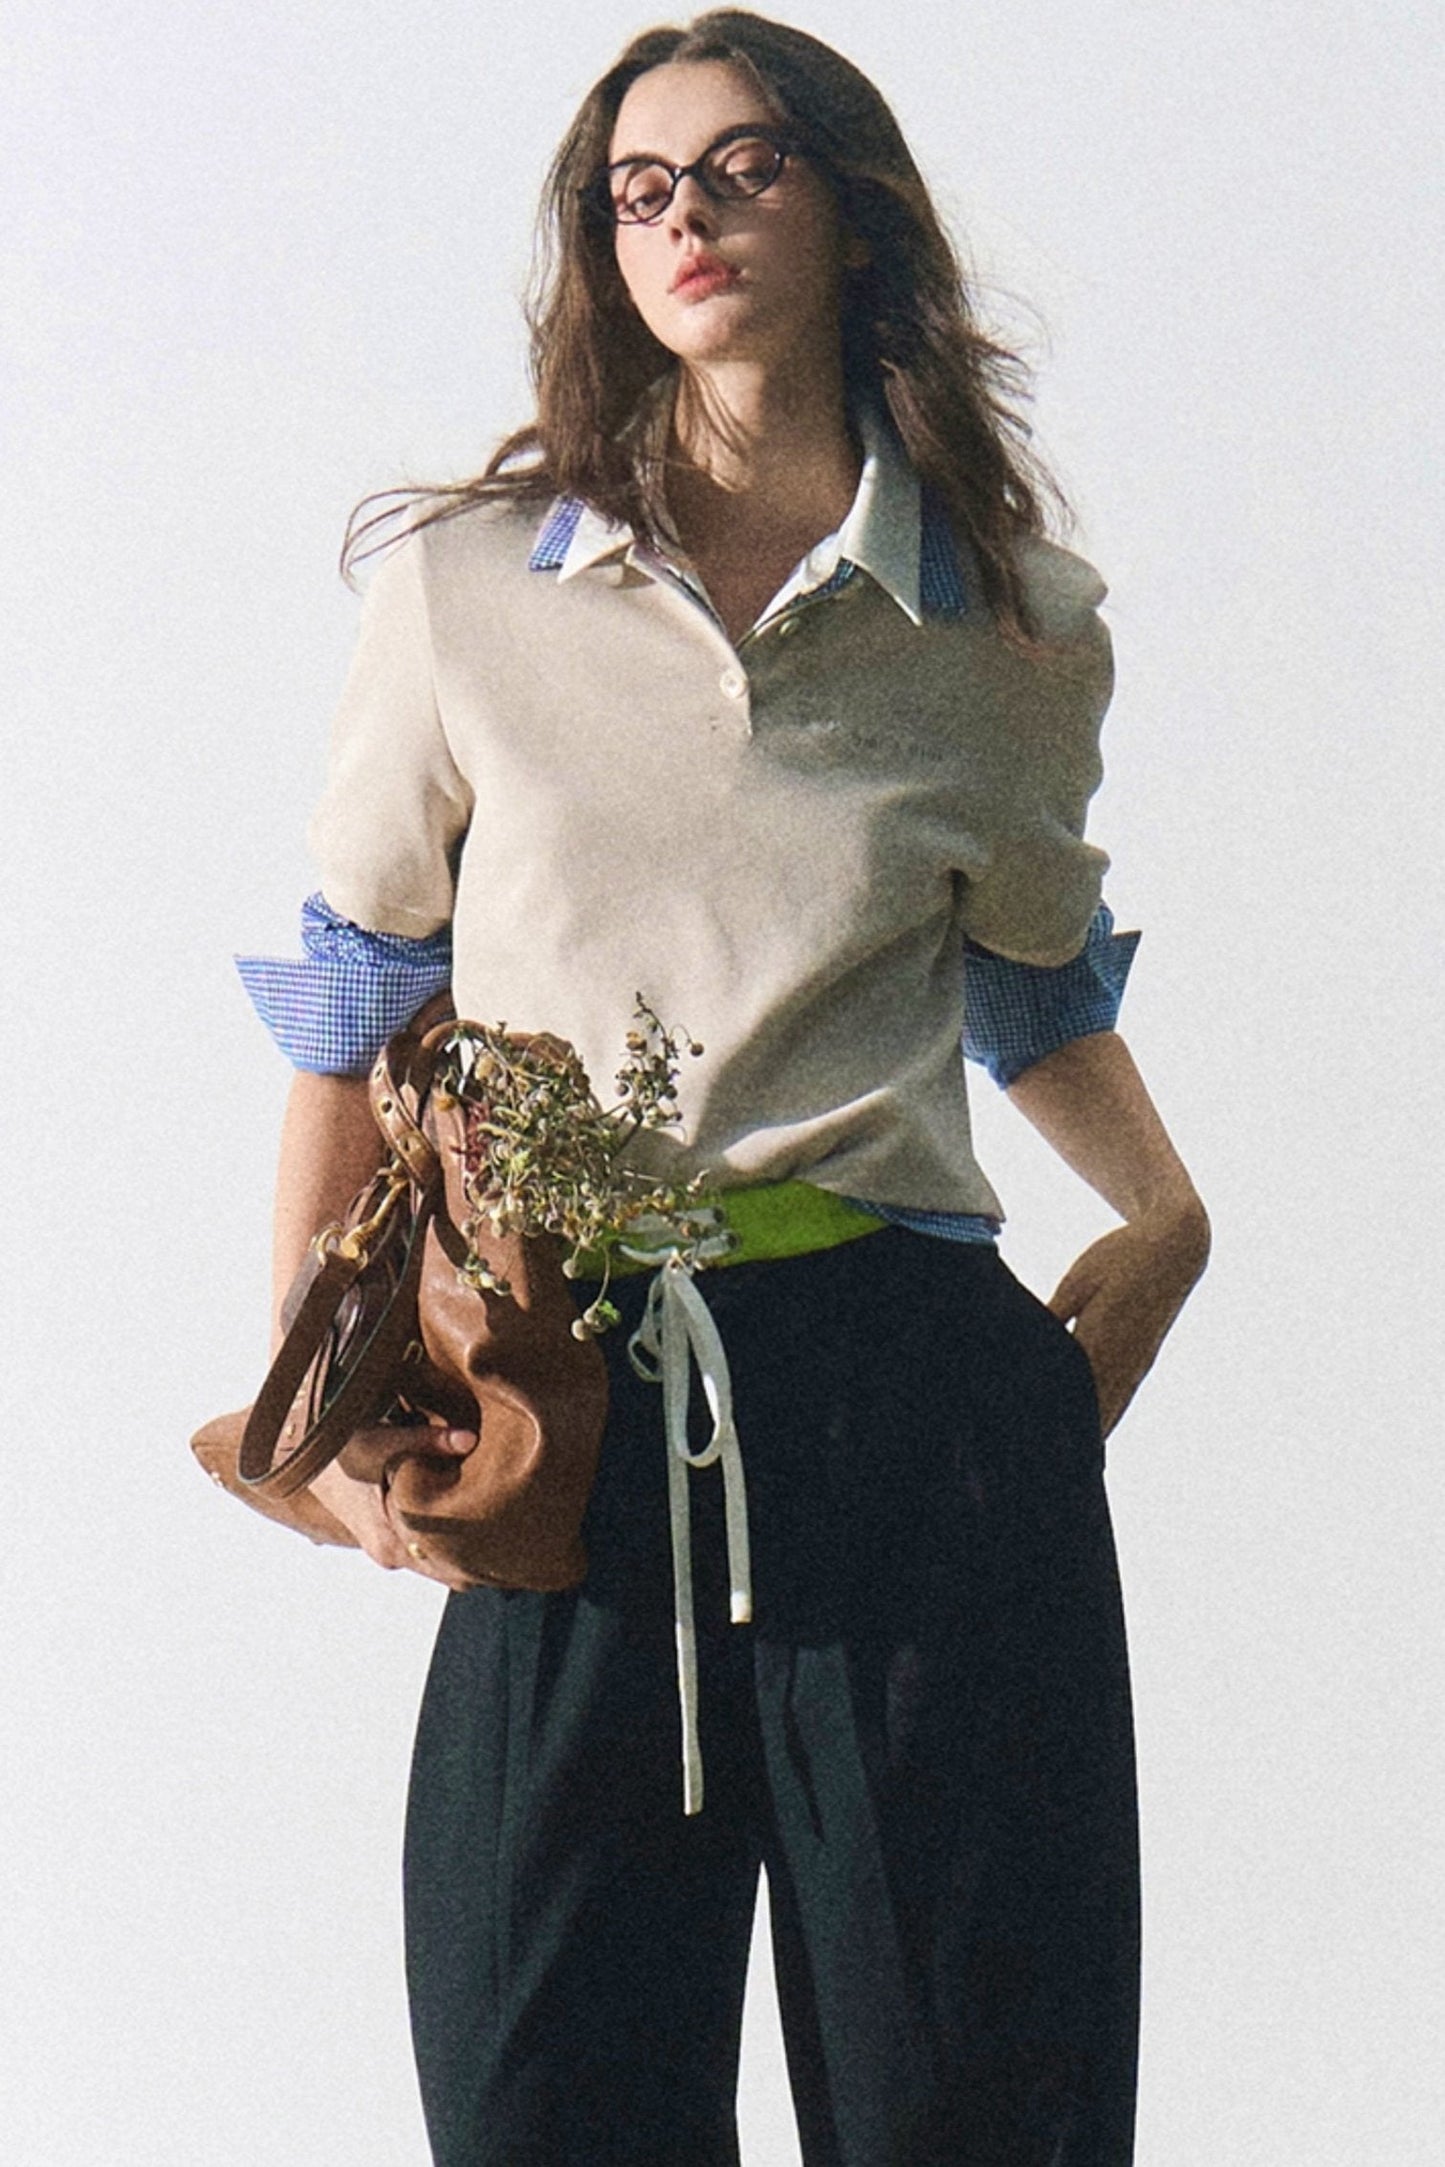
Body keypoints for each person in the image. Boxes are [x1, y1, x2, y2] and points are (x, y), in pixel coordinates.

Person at [239, 12, 1209, 2162]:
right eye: (637, 188)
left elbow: (1028, 978)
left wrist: (1166, 1216)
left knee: (983, 2111)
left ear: (856, 214)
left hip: (918, 1414)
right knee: (542, 2102)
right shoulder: (470, 593)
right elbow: (361, 985)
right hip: (566, 1398)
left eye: (743, 166)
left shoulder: (1011, 626)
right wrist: (320, 1377)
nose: (684, 216)